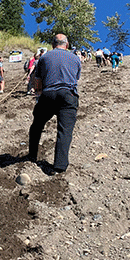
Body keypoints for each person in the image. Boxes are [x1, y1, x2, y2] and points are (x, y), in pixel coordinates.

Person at [28, 34, 82, 174]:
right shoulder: (75, 58)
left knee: (37, 125)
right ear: (67, 45)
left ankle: (32, 155)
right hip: (68, 94)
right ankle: (60, 165)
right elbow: (76, 78)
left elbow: (37, 80)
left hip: (48, 94)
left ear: (53, 45)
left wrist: (38, 92)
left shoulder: (44, 57)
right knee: (65, 130)